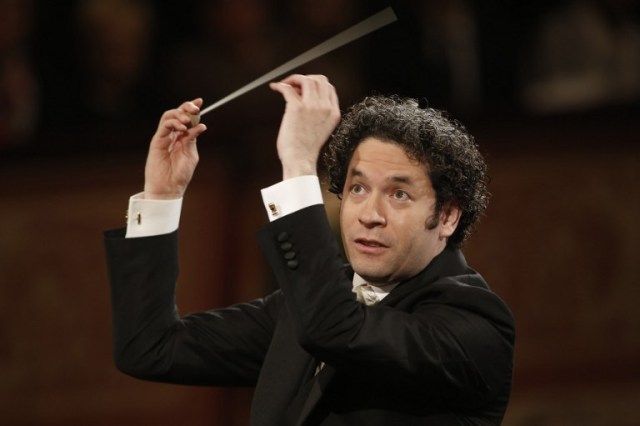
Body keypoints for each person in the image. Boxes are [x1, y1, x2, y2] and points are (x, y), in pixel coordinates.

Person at [104, 74, 515, 425]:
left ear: (447, 217)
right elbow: (150, 348)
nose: (370, 214)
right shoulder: (305, 307)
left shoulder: (473, 327)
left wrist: (300, 162)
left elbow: (335, 328)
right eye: (357, 188)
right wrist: (162, 195)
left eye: (400, 195)